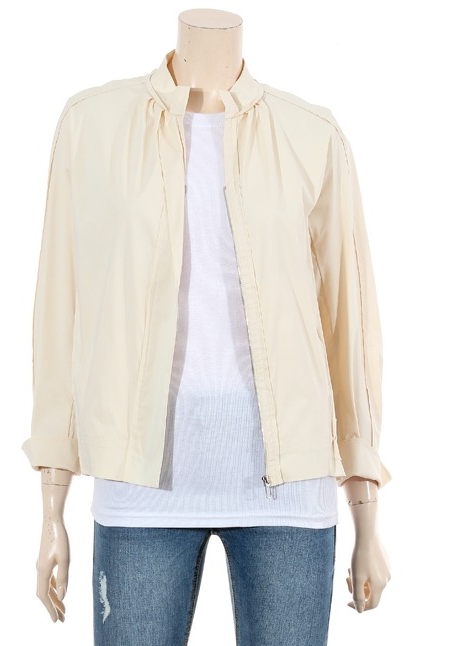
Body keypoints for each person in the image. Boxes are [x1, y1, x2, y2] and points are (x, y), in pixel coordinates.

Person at [23, 8, 391, 645]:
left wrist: (366, 510)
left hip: (288, 489)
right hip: (140, 486)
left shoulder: (311, 135)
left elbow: (348, 326)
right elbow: (61, 308)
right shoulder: (92, 125)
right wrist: (52, 501)